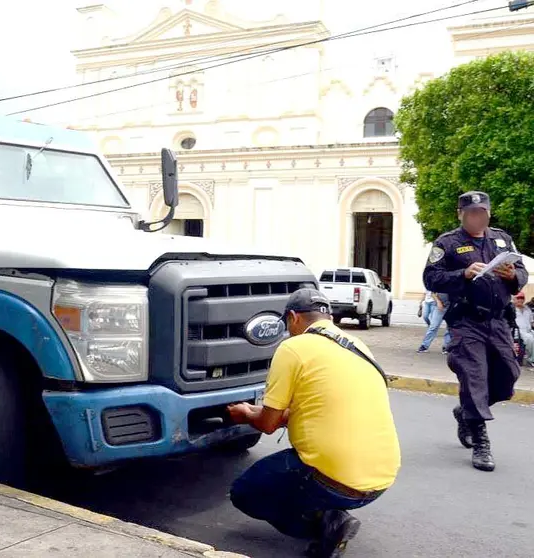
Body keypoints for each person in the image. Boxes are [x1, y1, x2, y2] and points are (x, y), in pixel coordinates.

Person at [227, 288, 400, 558]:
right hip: (381, 479)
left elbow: (268, 424)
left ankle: (328, 525)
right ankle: (329, 514)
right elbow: (317, 408)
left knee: (244, 493)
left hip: (334, 481)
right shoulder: (358, 346)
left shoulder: (293, 348)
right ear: (327, 316)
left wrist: (247, 413)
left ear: (293, 317)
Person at [422, 190, 528, 472]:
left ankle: (466, 413)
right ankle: (481, 442)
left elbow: (521, 272)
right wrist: (464, 274)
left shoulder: (502, 239)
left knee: (508, 375)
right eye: (471, 213)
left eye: (481, 212)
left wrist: (513, 276)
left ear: (488, 213)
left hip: (499, 322)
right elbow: (431, 277)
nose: (476, 217)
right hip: (467, 322)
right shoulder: (448, 243)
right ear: (461, 214)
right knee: (474, 377)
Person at [514, 292, 534, 367]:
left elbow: (532, 322)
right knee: (530, 339)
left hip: (528, 330)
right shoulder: (512, 309)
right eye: (518, 298)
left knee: (531, 336)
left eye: (522, 298)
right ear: (514, 299)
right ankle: (531, 359)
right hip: (518, 331)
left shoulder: (527, 309)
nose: (520, 300)